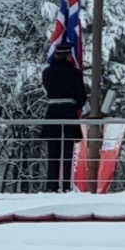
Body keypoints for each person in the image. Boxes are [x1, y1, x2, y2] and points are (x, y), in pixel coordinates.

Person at [41, 42, 87, 193]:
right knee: (68, 151)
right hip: (69, 112)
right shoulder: (75, 73)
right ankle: (66, 185)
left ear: (55, 54)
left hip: (53, 112)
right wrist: (76, 104)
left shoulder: (47, 72)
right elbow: (81, 97)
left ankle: (51, 185)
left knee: (53, 151)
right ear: (69, 55)